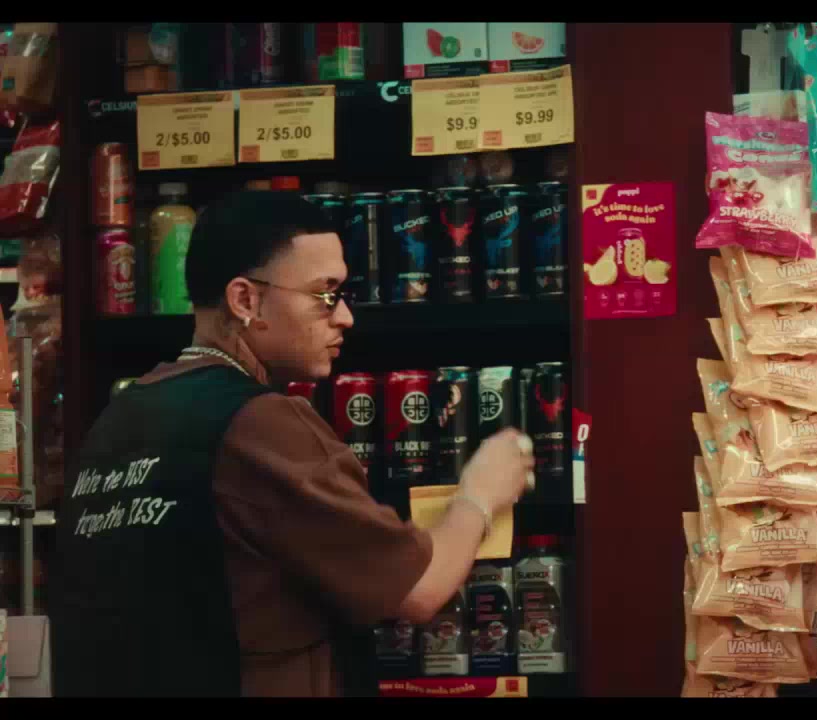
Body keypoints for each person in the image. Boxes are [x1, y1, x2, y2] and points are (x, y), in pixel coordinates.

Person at [50, 191, 534, 697]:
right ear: (245, 300)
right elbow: (418, 588)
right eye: (325, 294)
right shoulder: (258, 422)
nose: (344, 316)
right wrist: (480, 493)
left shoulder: (123, 413)